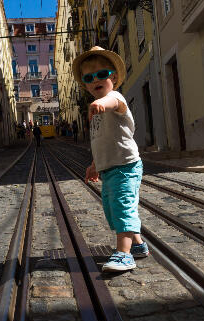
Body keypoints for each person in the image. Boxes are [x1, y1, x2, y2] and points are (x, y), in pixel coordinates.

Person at [73, 46, 148, 272]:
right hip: (108, 169)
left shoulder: (114, 97)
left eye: (102, 74)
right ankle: (137, 245)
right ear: (86, 84)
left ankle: (124, 255)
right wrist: (95, 165)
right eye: (89, 77)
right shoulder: (93, 109)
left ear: (113, 77)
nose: (96, 79)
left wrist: (100, 104)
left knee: (122, 207)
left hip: (126, 166)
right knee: (112, 210)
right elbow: (99, 139)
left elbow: (112, 103)